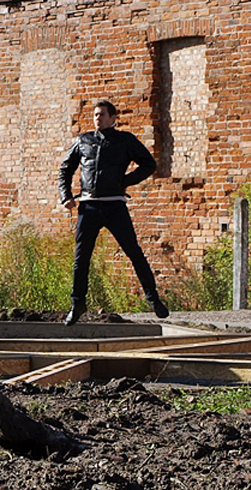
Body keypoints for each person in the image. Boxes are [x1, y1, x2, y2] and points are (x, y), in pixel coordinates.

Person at [58, 99, 170, 326]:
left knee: (134, 252)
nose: (97, 118)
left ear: (112, 118)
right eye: (95, 115)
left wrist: (124, 181)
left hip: (114, 205)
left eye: (101, 114)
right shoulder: (83, 141)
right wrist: (65, 195)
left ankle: (154, 300)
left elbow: (148, 164)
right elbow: (65, 168)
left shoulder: (124, 140)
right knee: (81, 258)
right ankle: (77, 304)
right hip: (88, 206)